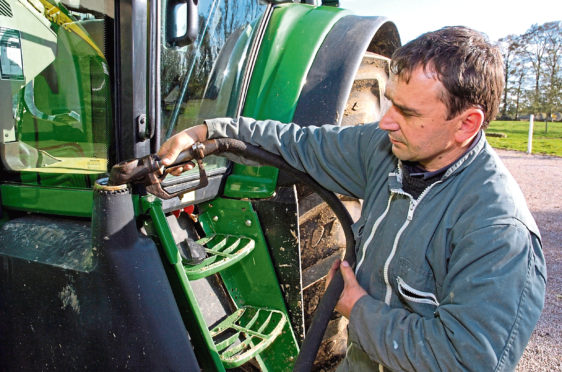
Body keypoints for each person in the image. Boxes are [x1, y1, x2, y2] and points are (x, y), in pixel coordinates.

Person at [158, 26, 546, 371]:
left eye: (408, 112)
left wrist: (357, 309)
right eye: (390, 101)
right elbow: (295, 143)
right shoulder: (385, 152)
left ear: (467, 124)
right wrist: (206, 133)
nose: (386, 120)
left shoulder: (498, 232)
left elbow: (464, 360)